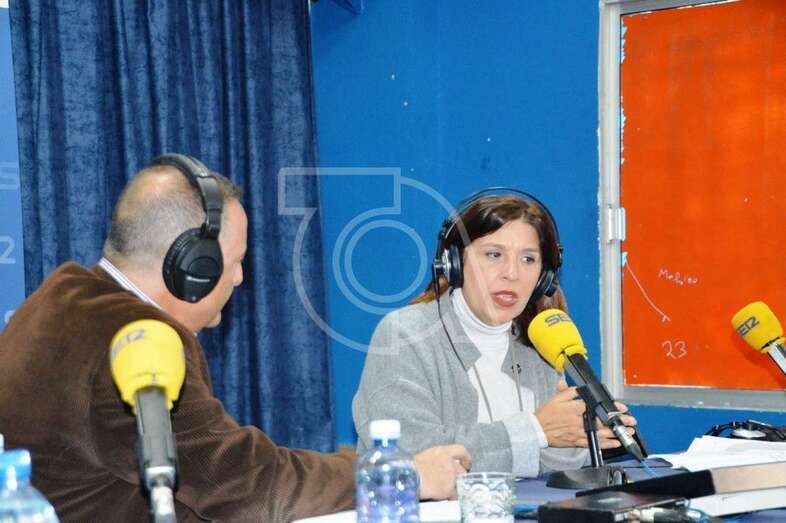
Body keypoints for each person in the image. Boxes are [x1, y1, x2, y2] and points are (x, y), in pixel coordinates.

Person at [0, 154, 470, 522]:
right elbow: (252, 490)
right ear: (191, 270)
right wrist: (399, 476)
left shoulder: (62, 299)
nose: (241, 278)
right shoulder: (136, 340)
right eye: (234, 262)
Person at [352, 191, 637, 478]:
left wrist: (581, 435)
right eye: (494, 255)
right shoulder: (405, 335)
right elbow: (416, 456)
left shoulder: (539, 341)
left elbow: (547, 465)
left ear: (544, 277)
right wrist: (536, 429)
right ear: (455, 263)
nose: (512, 273)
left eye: (528, 259)